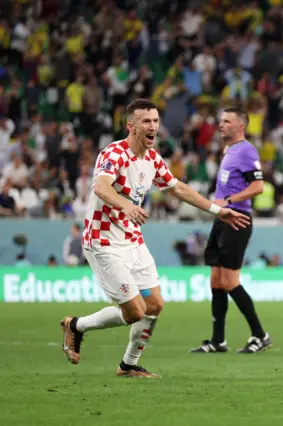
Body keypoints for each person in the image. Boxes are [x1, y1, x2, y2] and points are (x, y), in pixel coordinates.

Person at [59, 99, 250, 378]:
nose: (153, 127)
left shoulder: (152, 159)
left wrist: (218, 211)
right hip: (104, 241)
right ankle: (76, 326)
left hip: (132, 240)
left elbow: (178, 189)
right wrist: (126, 205)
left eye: (156, 121)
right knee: (135, 311)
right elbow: (101, 187)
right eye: (146, 121)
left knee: (155, 305)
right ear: (131, 126)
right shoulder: (114, 153)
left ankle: (128, 365)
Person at [191, 106, 271, 354]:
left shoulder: (246, 151)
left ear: (240, 126)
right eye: (220, 120)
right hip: (221, 219)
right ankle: (218, 340)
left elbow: (258, 186)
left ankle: (260, 335)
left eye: (226, 121)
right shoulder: (229, 150)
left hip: (237, 218)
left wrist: (227, 201)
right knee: (216, 280)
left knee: (229, 281)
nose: (220, 124)